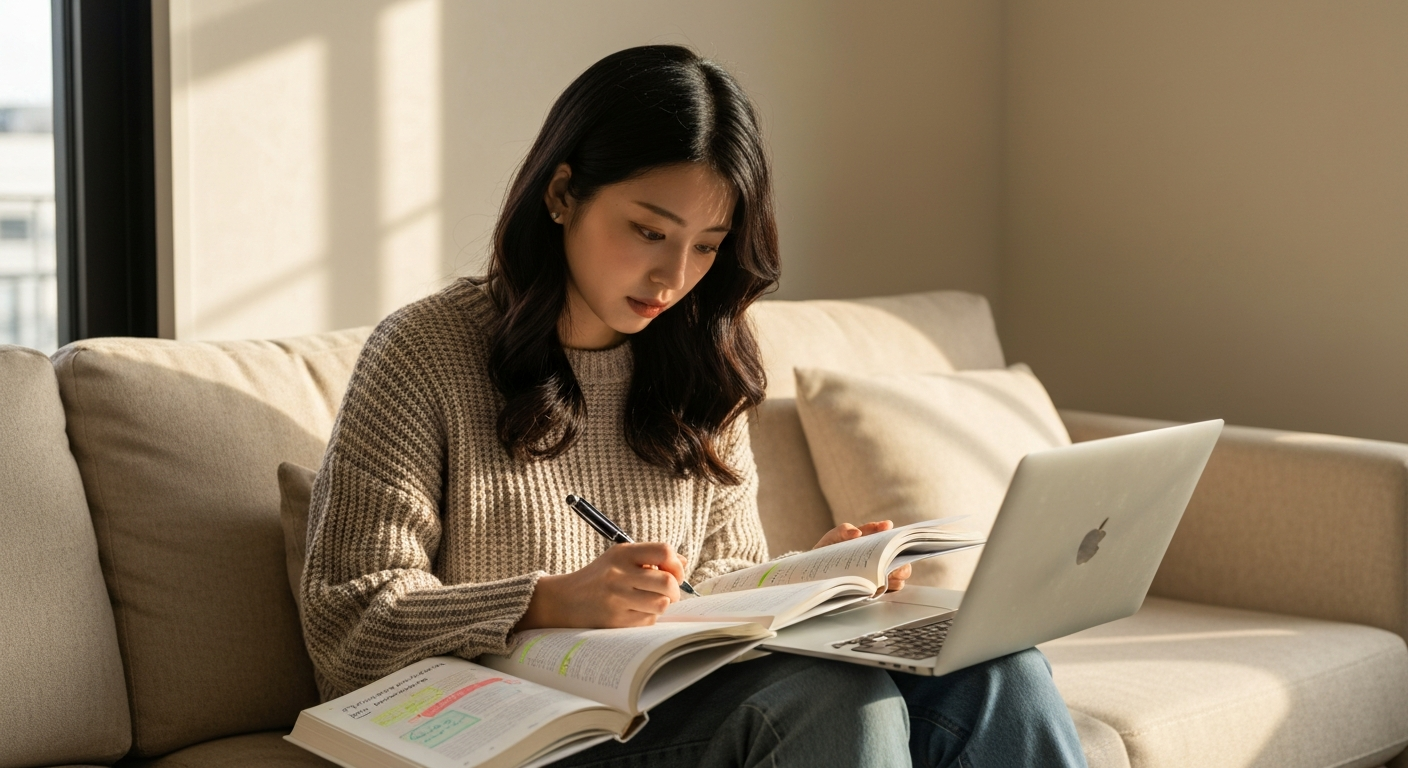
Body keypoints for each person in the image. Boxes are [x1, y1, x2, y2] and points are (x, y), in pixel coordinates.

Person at [301, 44, 1087, 767]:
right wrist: (549, 601)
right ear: (564, 193)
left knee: (995, 670)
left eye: (707, 245)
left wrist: (816, 582)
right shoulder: (422, 353)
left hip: (663, 704)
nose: (674, 277)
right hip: (513, 731)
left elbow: (716, 589)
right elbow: (348, 626)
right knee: (825, 705)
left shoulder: (700, 363)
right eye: (649, 231)